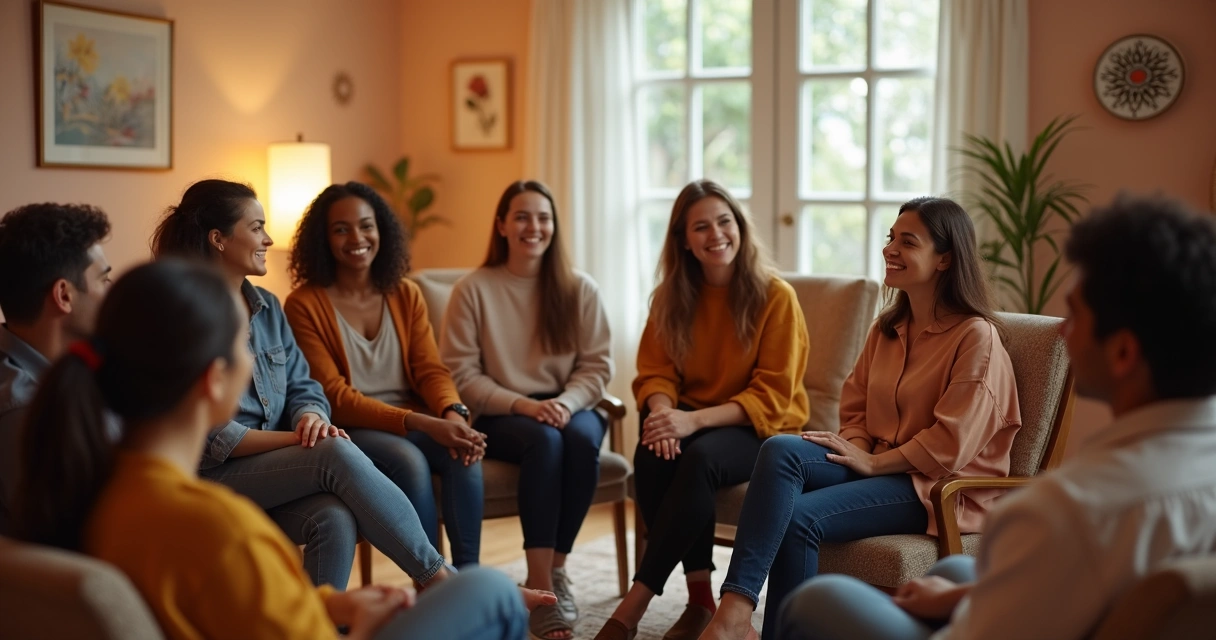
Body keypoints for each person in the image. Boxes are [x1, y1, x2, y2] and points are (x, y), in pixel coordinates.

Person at [13, 259, 550, 640]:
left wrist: (334, 605)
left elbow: (227, 603)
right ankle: (449, 581)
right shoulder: (221, 528)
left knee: (344, 522)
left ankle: (437, 582)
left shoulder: (90, 488)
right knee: (490, 593)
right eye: (240, 348)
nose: (252, 361)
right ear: (212, 380)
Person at [773, 194, 1216, 640]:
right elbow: (1077, 594)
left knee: (819, 599)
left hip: (938, 496)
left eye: (1076, 313)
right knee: (955, 570)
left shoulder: (1069, 510)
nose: (1063, 330)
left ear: (1123, 352)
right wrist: (957, 597)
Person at [698, 196, 1021, 640]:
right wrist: (859, 449)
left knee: (801, 516)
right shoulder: (887, 329)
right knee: (780, 450)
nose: (891, 249)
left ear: (945, 258)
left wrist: (871, 464)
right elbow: (854, 408)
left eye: (908, 241)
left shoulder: (976, 337)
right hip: (883, 467)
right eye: (891, 237)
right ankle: (734, 612)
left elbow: (950, 445)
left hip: (937, 487)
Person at [150, 179, 450, 590]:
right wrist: (301, 440)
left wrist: (310, 416)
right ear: (218, 239)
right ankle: (437, 578)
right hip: (209, 475)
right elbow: (213, 438)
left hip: (273, 468)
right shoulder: (180, 317)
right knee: (333, 452)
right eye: (256, 228)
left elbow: (304, 385)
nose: (268, 239)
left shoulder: (268, 307)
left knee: (333, 517)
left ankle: (321, 628)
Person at [595, 179, 810, 640]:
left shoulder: (776, 297)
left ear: (740, 227)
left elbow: (772, 394)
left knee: (700, 457)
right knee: (654, 453)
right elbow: (655, 372)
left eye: (724, 221)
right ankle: (699, 600)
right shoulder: (670, 298)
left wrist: (688, 421)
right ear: (684, 240)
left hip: (763, 428)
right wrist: (662, 415)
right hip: (691, 416)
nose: (716, 234)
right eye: (701, 227)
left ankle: (633, 605)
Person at [440, 180, 614, 640]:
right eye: (521, 216)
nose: (533, 227)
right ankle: (537, 582)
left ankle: (556, 570)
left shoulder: (579, 288)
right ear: (501, 225)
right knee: (546, 438)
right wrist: (523, 405)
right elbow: (462, 373)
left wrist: (563, 402)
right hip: (502, 411)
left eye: (543, 217)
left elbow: (597, 367)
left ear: (553, 227)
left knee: (578, 436)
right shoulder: (472, 289)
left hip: (567, 403)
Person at [285, 181, 485, 567]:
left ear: (382, 231)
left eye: (366, 225)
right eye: (341, 229)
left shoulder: (405, 293)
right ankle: (431, 583)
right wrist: (422, 423)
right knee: (407, 459)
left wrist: (452, 413)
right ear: (323, 239)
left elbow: (430, 369)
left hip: (414, 419)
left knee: (463, 450)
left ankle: (468, 580)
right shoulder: (304, 304)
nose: (356, 237)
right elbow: (335, 397)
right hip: (351, 427)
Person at [0, 203, 112, 535]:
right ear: (64, 295)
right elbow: (72, 535)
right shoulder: (26, 410)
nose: (112, 292)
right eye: (104, 279)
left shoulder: (83, 365)